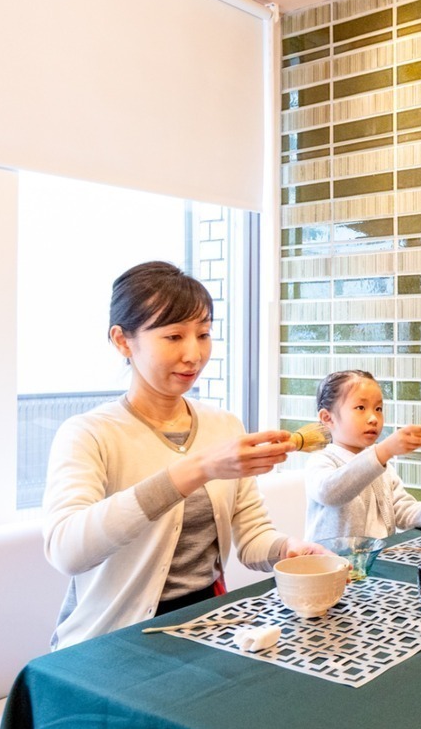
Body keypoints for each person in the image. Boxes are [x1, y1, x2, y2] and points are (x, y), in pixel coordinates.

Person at [43, 261, 327, 649]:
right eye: (174, 336)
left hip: (208, 627)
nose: (194, 354)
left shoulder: (223, 425)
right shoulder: (89, 433)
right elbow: (67, 551)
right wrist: (197, 468)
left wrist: (287, 549)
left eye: (204, 334)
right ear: (123, 341)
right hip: (111, 641)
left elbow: (251, 535)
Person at [305, 369, 421, 541]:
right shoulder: (321, 461)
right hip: (331, 565)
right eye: (361, 407)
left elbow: (402, 510)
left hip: (374, 561)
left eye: (378, 408)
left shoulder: (382, 467)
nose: (373, 418)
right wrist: (382, 452)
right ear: (327, 418)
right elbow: (330, 492)